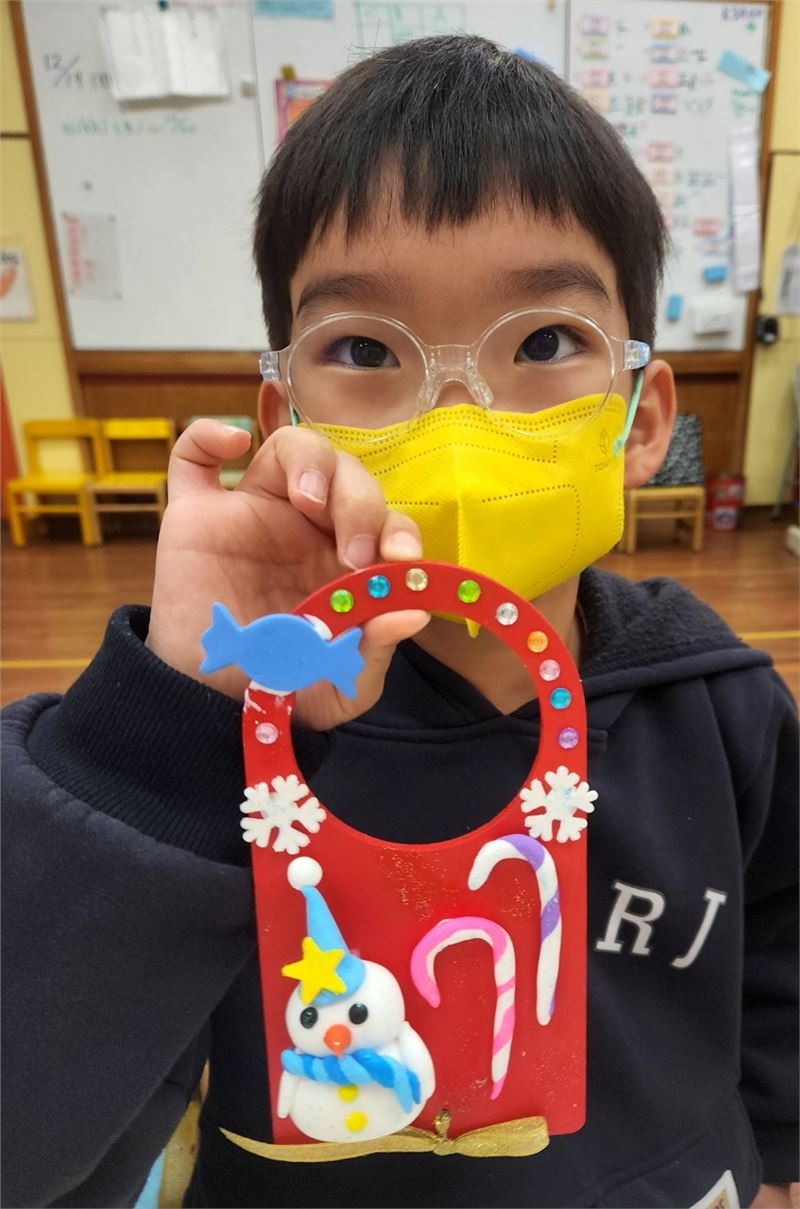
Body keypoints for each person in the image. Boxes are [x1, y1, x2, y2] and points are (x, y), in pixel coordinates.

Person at [2, 34, 797, 1209]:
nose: (460, 415)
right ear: (286, 418)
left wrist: (774, 1166)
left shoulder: (723, 709)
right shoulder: (236, 731)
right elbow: (32, 1146)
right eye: (364, 349)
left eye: (544, 341)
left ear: (638, 422)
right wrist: (170, 728)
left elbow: (777, 957)